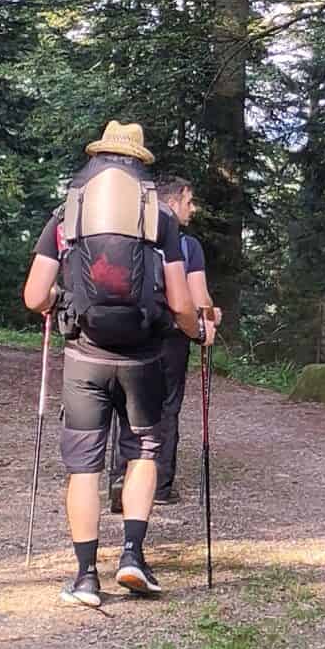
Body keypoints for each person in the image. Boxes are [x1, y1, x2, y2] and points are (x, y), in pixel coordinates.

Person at [23, 121, 211, 607]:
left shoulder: (67, 215)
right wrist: (196, 331)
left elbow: (33, 297)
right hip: (143, 357)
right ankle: (132, 555)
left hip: (85, 355)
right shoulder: (160, 220)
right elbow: (180, 302)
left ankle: (85, 576)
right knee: (143, 452)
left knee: (83, 466)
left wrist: (58, 304)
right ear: (139, 165)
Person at [112, 174, 215, 509]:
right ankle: (159, 486)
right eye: (189, 201)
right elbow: (199, 302)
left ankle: (120, 479)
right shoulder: (187, 245)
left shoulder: (127, 237)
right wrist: (211, 320)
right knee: (166, 407)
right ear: (172, 202)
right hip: (171, 335)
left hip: (129, 329)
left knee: (127, 405)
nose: (193, 209)